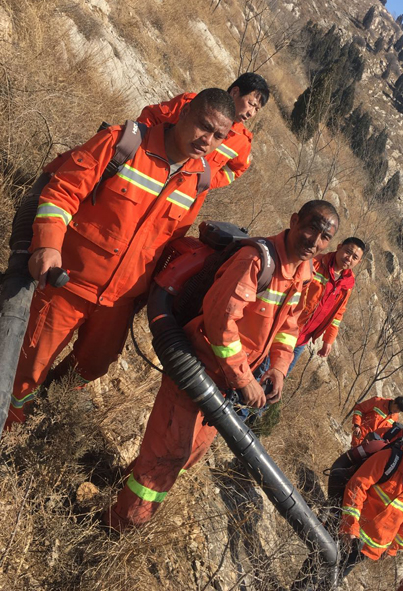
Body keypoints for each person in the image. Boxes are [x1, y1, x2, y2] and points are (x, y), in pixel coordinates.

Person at [5, 89, 236, 428]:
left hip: (118, 302)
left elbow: (169, 243)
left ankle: (47, 404)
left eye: (218, 136)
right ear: (185, 112)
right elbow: (63, 192)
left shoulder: (198, 181)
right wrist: (48, 245)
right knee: (28, 366)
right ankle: (10, 428)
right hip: (67, 284)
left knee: (94, 365)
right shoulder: (123, 143)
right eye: (204, 126)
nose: (207, 140)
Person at [106, 200, 340, 530]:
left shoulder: (303, 273)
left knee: (188, 454)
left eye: (324, 237)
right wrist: (245, 380)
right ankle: (119, 527)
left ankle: (122, 488)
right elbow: (221, 322)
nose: (314, 241)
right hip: (198, 370)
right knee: (168, 454)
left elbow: (289, 326)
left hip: (224, 384)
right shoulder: (257, 260)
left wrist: (278, 367)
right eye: (311, 228)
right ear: (294, 221)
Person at [291, 434, 403, 590]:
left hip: (368, 546)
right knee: (316, 564)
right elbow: (357, 486)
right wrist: (350, 525)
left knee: (334, 579)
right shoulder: (391, 459)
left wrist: (393, 548)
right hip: (344, 527)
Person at [137, 72, 269, 187]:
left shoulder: (241, 141)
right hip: (146, 172)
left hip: (183, 194)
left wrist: (206, 182)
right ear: (235, 92)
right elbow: (152, 117)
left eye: (256, 109)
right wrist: (141, 151)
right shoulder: (194, 105)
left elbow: (236, 169)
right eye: (251, 104)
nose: (251, 113)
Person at [288, 237, 365, 375]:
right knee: (262, 373)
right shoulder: (315, 263)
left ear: (359, 262)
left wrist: (328, 340)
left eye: (355, 257)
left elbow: (338, 314)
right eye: (348, 252)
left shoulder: (347, 284)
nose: (349, 258)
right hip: (286, 330)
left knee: (278, 379)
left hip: (302, 339)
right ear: (339, 247)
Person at [327, 415, 403, 512]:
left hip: (380, 487)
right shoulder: (388, 432)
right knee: (338, 476)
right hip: (362, 472)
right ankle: (330, 508)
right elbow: (364, 445)